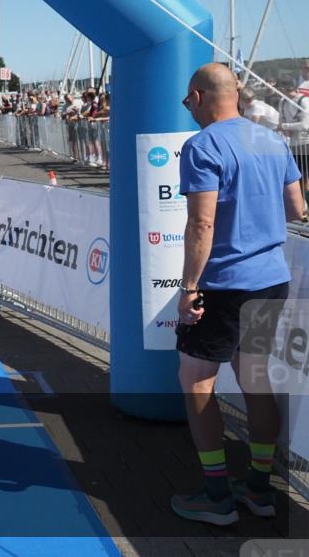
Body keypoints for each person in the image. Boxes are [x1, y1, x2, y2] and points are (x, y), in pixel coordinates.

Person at [172, 63, 304, 525]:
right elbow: (297, 206)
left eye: (188, 101)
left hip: (226, 284)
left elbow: (202, 224)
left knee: (197, 380)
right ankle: (259, 489)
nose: (188, 109)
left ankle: (216, 496)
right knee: (256, 378)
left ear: (199, 96)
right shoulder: (273, 139)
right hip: (271, 277)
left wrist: (188, 287)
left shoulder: (202, 145)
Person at [278, 76, 309, 205]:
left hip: (306, 143)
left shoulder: (304, 101)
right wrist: (284, 126)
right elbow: (281, 120)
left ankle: (305, 204)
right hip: (294, 144)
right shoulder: (282, 101)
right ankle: (301, 204)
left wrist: (285, 126)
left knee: (306, 176)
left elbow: (305, 125)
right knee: (297, 175)